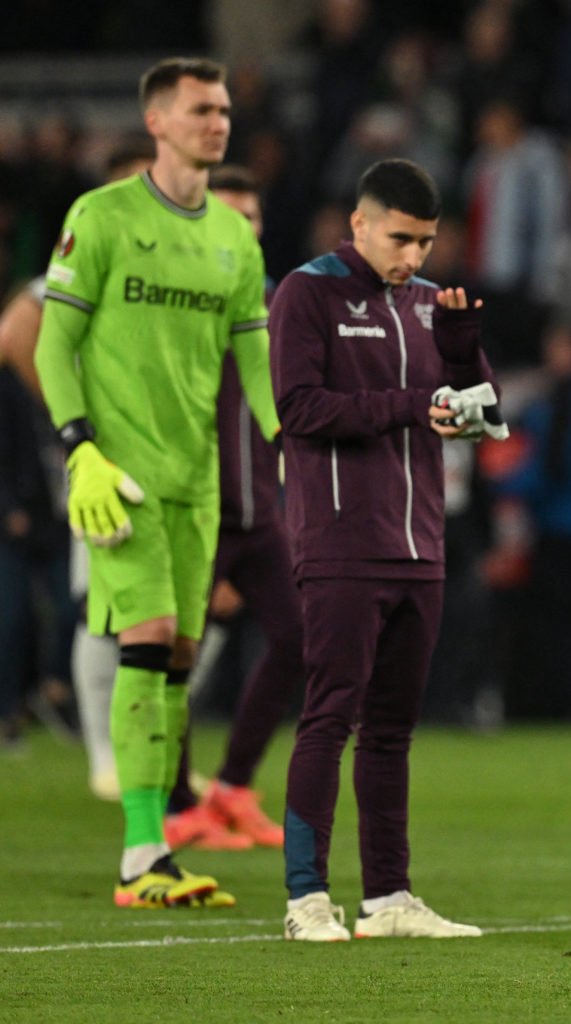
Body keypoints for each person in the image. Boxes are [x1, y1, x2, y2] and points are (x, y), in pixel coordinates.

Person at [34, 57, 278, 908]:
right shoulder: (100, 217)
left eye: (223, 108)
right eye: (201, 109)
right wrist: (80, 450)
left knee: (180, 657)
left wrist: (297, 440)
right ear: (159, 122)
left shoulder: (233, 237)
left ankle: (161, 843)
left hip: (197, 480)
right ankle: (142, 854)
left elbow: (254, 360)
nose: (219, 121)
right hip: (121, 477)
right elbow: (51, 346)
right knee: (150, 638)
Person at [273, 158, 499, 942]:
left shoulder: (432, 302)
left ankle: (388, 898)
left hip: (420, 545)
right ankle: (306, 899)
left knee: (394, 729)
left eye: (427, 242)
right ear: (359, 223)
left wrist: (466, 356)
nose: (414, 257)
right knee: (328, 717)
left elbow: (483, 420)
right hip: (340, 542)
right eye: (401, 239)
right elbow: (298, 408)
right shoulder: (308, 291)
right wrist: (414, 403)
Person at [0, 141, 154, 796]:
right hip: (107, 463)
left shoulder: (187, 261)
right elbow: (12, 332)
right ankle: (105, 756)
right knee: (103, 606)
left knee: (183, 614)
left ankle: (150, 754)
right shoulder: (80, 265)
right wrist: (76, 424)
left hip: (179, 462)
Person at [161, 165, 303, 851]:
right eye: (231, 215)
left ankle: (233, 786)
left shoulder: (277, 300)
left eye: (253, 218)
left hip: (259, 510)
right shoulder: (177, 301)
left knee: (300, 637)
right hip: (199, 510)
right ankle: (176, 801)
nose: (244, 228)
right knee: (173, 652)